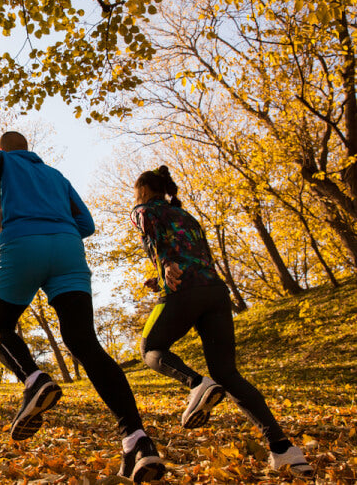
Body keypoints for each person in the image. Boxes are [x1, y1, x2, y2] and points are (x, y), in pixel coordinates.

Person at [0, 131, 165, 483]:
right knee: (84, 343)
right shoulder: (57, 176)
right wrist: (60, 229)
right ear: (29, 150)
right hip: (68, 250)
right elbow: (87, 225)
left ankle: (35, 380)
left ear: (5, 150)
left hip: (22, 244)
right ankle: (137, 440)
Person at [130, 165, 313, 476]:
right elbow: (195, 254)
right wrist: (160, 275)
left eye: (135, 193)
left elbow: (158, 238)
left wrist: (167, 265)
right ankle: (284, 450)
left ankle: (197, 385)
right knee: (228, 373)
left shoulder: (143, 209)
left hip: (183, 288)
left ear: (144, 190)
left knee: (150, 348)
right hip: (214, 291)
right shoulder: (186, 216)